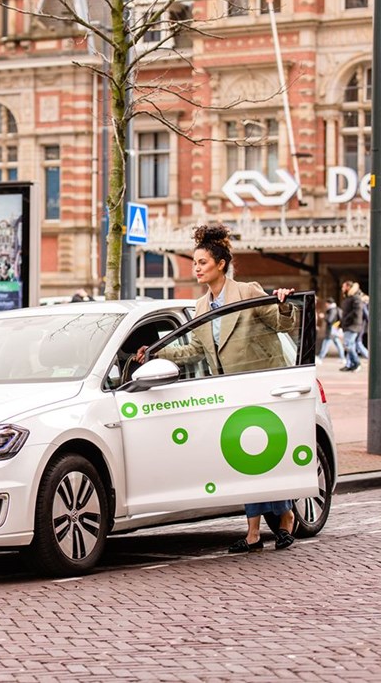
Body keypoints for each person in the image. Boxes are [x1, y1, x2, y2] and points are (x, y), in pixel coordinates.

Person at [135, 223, 297, 552]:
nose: (196, 268)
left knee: (269, 457)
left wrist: (281, 302)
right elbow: (195, 350)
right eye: (194, 263)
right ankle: (253, 533)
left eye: (202, 263)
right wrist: (155, 352)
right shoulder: (199, 307)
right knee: (245, 459)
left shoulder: (248, 291)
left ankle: (286, 517)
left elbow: (283, 323)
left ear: (220, 264)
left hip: (262, 385)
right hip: (230, 392)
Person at [340, 281, 365, 372]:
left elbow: (357, 312)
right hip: (348, 325)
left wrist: (346, 319)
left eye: (343, 287)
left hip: (352, 326)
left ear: (348, 287)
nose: (342, 289)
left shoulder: (355, 298)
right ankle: (350, 364)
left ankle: (357, 363)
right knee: (350, 345)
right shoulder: (349, 298)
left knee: (348, 345)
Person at [316, 297, 345, 364]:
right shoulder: (335, 309)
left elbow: (330, 319)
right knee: (338, 344)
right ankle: (343, 358)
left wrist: (324, 316)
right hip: (334, 330)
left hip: (331, 330)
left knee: (326, 343)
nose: (325, 305)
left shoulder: (332, 310)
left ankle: (320, 358)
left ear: (329, 303)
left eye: (326, 303)